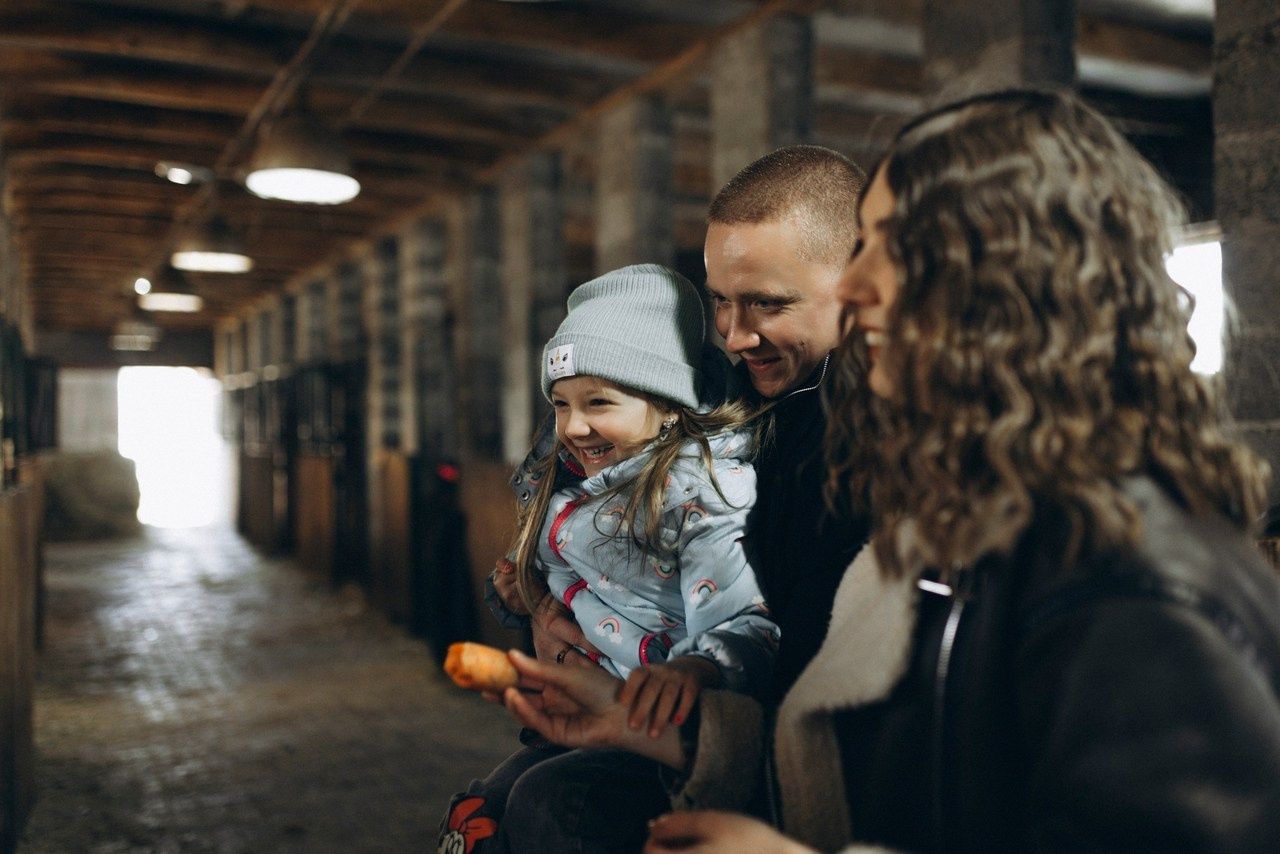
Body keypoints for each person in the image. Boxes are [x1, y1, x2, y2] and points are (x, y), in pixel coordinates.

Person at [501, 89, 1280, 853]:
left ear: (1010, 286)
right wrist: (655, 725)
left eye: (889, 250)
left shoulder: (1137, 580)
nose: (858, 286)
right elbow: (893, 770)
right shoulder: (964, 516)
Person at [477, 145, 872, 850]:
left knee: (554, 805)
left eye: (767, 304)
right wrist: (538, 607)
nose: (732, 332)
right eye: (720, 299)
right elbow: (574, 509)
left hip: (778, 769)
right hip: (668, 715)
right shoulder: (708, 393)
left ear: (857, 283)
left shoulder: (875, 448)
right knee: (493, 802)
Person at [439, 263, 778, 854]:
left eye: (599, 402)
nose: (573, 426)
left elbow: (744, 620)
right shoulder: (574, 485)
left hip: (656, 732)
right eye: (562, 404)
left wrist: (695, 669)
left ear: (669, 404)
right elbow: (564, 582)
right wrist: (527, 594)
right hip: (585, 710)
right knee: (477, 814)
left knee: (552, 809)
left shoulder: (699, 495)